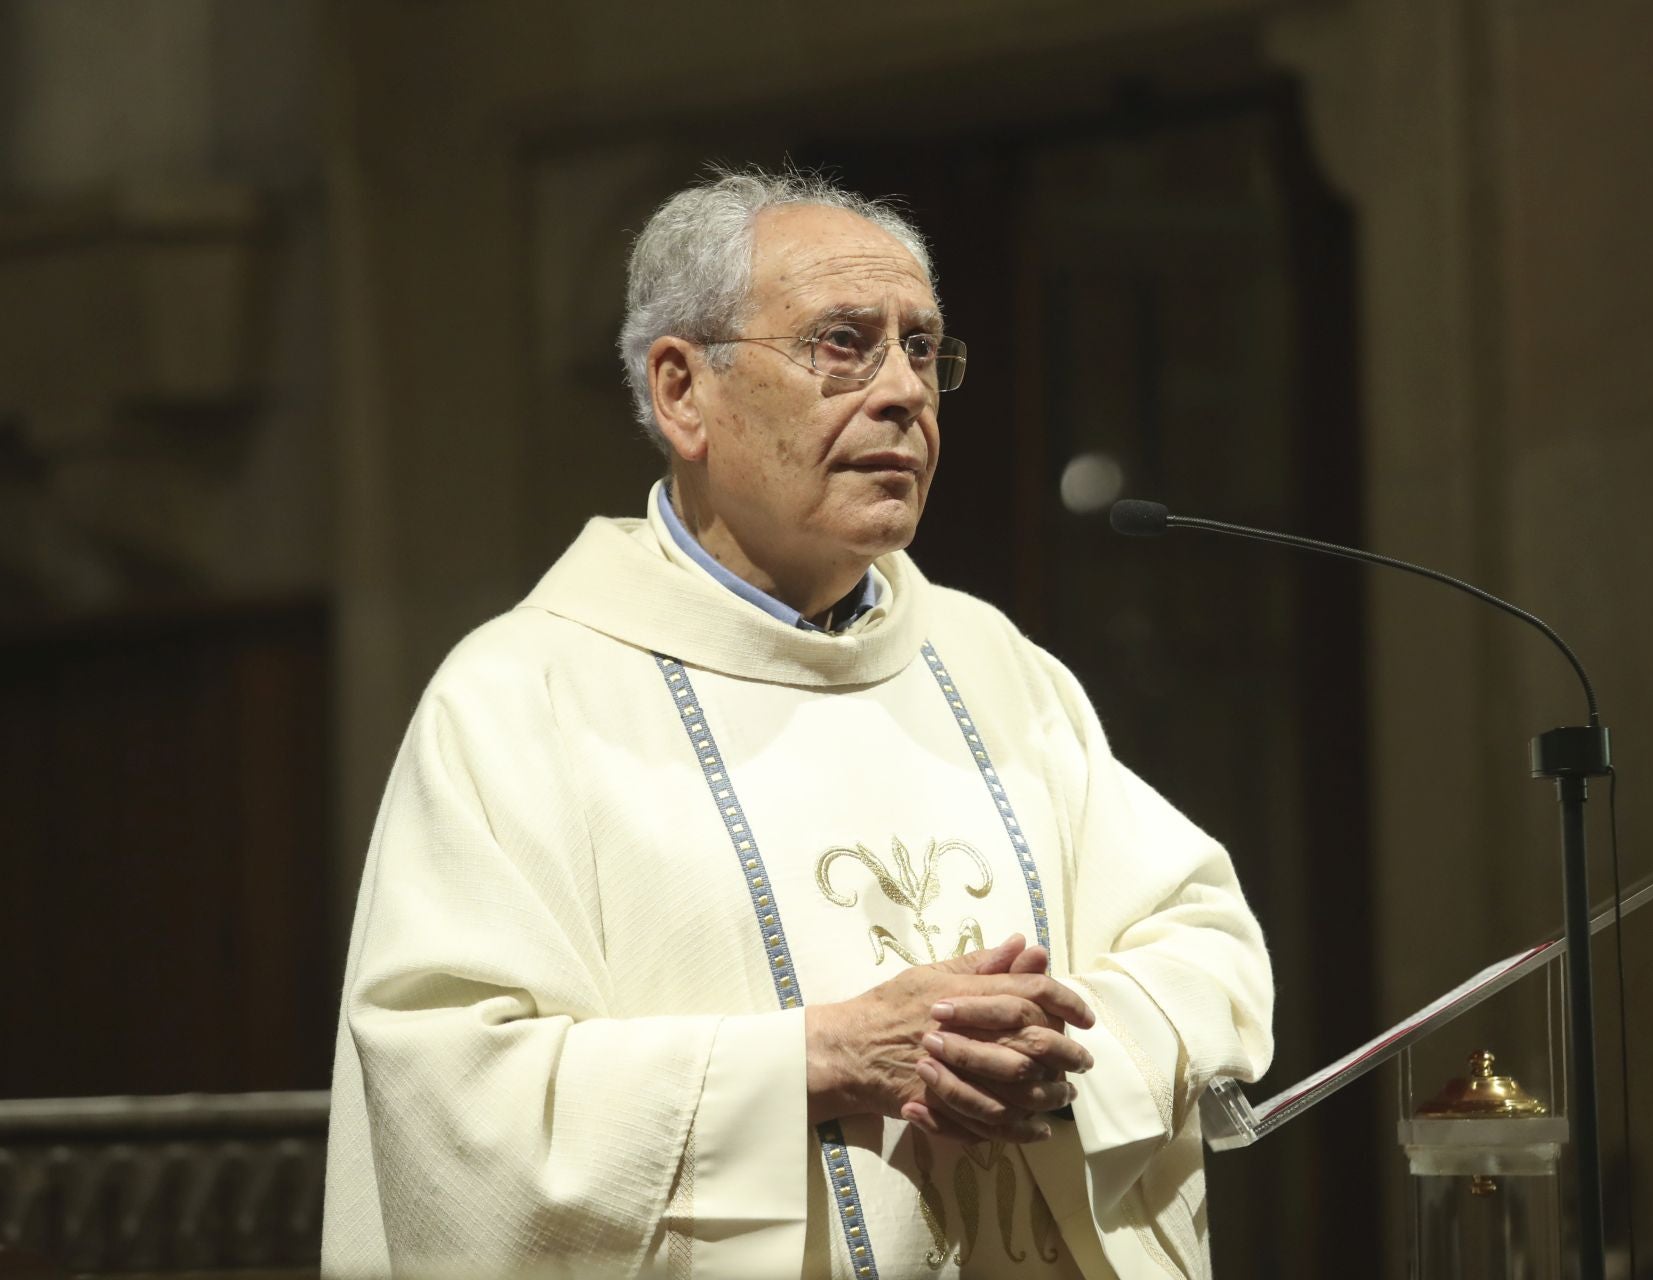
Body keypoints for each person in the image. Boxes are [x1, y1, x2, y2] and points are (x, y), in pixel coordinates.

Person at [322, 167, 1274, 1278]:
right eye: (841, 343)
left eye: (922, 349)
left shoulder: (993, 663)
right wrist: (820, 1058)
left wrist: (1061, 1047)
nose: (904, 394)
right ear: (683, 392)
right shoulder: (522, 700)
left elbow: (1203, 935)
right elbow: (453, 1094)